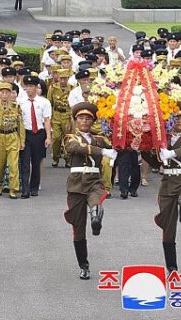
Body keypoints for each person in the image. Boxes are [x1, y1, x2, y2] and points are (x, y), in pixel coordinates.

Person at [141, 103, 181, 273]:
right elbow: (156, 162)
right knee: (168, 227)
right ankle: (172, 267)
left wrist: (173, 153)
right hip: (168, 182)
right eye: (176, 118)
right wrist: (143, 150)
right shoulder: (164, 139)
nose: (179, 121)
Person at [63, 102, 116, 280]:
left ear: (93, 121)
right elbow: (75, 148)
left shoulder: (100, 138)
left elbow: (116, 149)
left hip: (94, 181)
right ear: (76, 120)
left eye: (88, 118)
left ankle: (96, 218)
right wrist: (102, 152)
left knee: (96, 202)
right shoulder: (70, 137)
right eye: (81, 118)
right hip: (76, 184)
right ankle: (83, 265)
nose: (84, 121)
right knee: (78, 228)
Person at [18, 75, 52, 198]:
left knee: (37, 162)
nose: (29, 89)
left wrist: (48, 137)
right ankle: (25, 189)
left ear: (36, 87)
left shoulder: (44, 102)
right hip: (26, 134)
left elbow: (47, 120)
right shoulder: (20, 102)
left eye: (31, 86)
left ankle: (34, 187)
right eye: (27, 86)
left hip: (39, 133)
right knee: (25, 162)